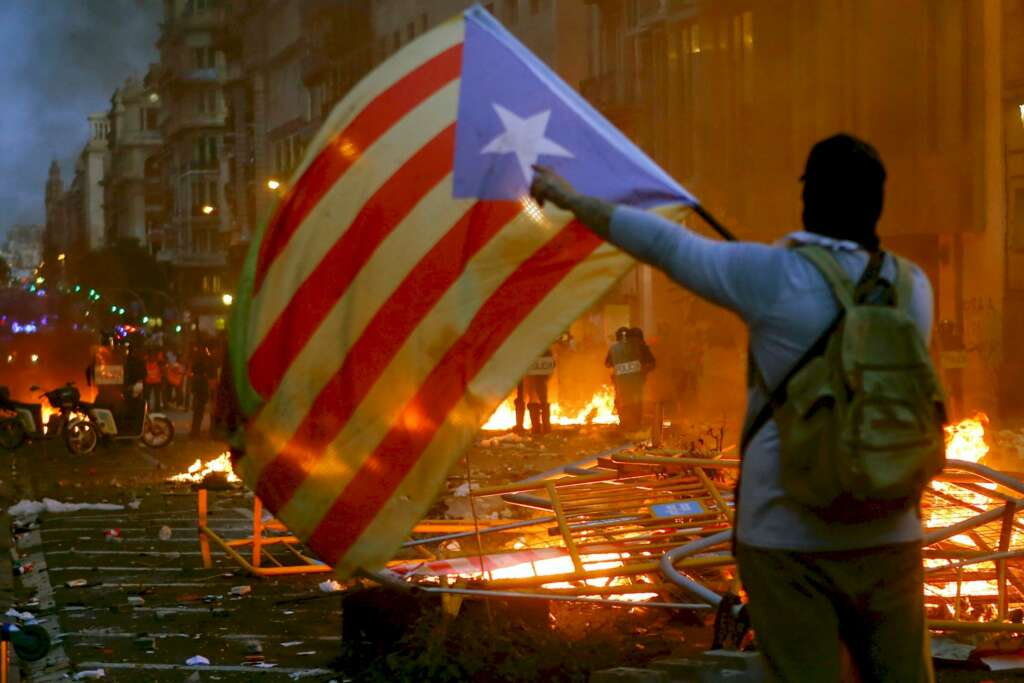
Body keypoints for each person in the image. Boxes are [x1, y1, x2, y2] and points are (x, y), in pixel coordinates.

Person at [530, 134, 935, 681]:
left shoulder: (771, 276)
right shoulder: (915, 289)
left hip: (787, 540)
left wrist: (573, 199)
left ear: (808, 199)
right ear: (877, 204)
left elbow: (665, 245)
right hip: (892, 532)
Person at [605, 326, 655, 431]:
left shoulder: (614, 348)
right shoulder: (640, 346)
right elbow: (651, 363)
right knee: (636, 403)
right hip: (636, 382)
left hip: (620, 382)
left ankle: (625, 424)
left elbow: (608, 363)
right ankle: (635, 424)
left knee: (622, 402)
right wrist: (644, 371)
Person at [515, 347, 555, 435]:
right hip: (538, 369)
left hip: (534, 368)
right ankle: (544, 427)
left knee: (530, 395)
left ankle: (536, 427)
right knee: (540, 397)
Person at [189, 341, 213, 439]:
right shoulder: (202, 374)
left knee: (197, 413)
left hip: (198, 393)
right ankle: (195, 431)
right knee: (198, 413)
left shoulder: (197, 360)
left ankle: (195, 431)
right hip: (200, 394)